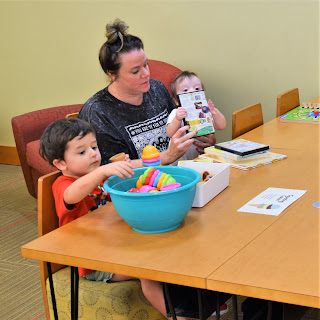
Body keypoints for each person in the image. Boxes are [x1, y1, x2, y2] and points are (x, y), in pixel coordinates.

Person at [39, 118, 179, 319]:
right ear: (60, 163)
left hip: (116, 245)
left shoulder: (99, 177)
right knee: (148, 270)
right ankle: (175, 316)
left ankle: (193, 303)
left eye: (94, 147)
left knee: (171, 247)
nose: (94, 154)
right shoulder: (64, 183)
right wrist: (103, 170)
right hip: (93, 263)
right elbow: (71, 195)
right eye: (82, 152)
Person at [78, 18, 216, 168]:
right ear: (112, 74)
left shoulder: (157, 88)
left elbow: (179, 125)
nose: (146, 74)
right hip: (139, 186)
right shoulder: (98, 113)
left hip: (180, 171)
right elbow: (110, 170)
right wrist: (166, 157)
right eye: (135, 71)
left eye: (146, 65)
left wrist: (203, 140)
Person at [167, 71, 227, 163]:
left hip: (202, 159)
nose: (192, 91)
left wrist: (214, 112)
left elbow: (221, 125)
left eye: (197, 88)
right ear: (176, 101)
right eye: (185, 90)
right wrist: (177, 119)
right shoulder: (176, 113)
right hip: (180, 161)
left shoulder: (205, 110)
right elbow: (170, 133)